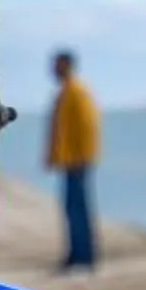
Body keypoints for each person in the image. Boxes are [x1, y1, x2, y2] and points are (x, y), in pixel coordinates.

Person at [46, 49, 102, 273]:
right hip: (72, 160)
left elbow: (87, 127)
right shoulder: (67, 92)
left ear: (67, 65)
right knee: (72, 207)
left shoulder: (77, 91)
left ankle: (84, 256)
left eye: (57, 65)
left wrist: (79, 156)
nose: (53, 69)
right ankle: (77, 254)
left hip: (78, 161)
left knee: (78, 207)